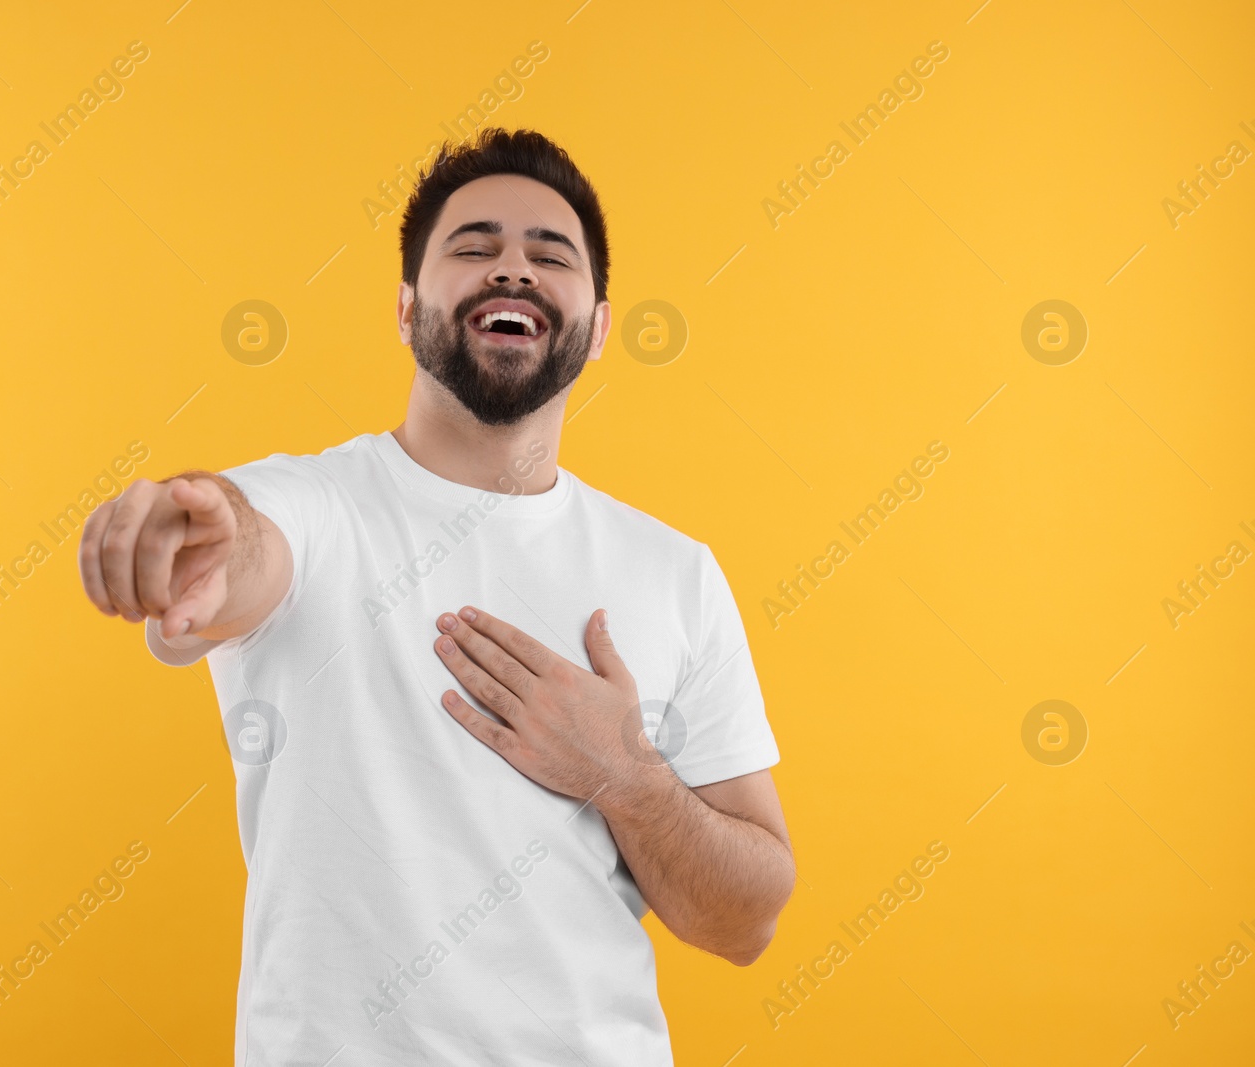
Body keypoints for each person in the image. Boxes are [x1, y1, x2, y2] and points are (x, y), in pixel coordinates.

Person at [78, 127, 795, 1065]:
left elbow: (745, 921)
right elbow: (249, 542)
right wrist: (198, 534)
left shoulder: (675, 571)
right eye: (474, 246)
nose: (513, 269)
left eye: (551, 254)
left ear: (600, 325)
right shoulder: (317, 508)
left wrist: (623, 773)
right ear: (409, 310)